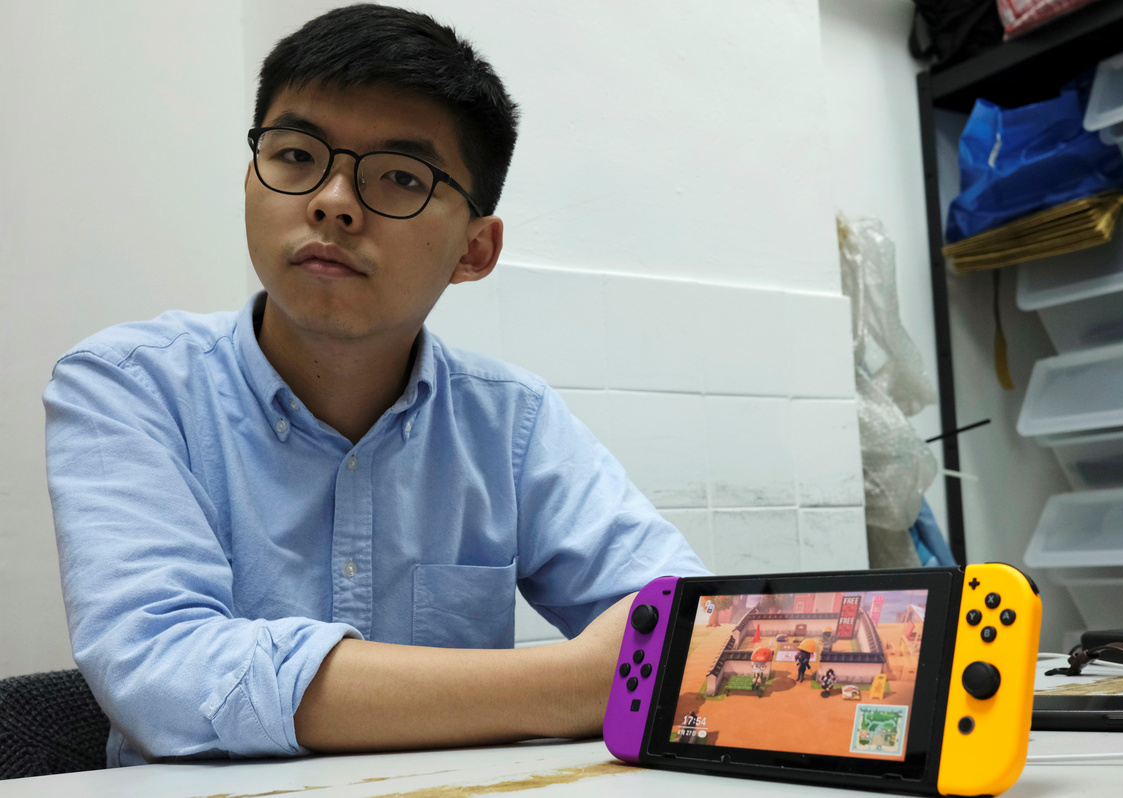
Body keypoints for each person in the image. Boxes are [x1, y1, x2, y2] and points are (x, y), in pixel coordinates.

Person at [44, 4, 706, 767]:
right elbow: (165, 674)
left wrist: (611, 673)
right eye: (296, 156)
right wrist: (571, 684)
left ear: (474, 250)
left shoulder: (510, 422)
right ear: (251, 179)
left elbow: (692, 629)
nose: (332, 200)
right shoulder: (129, 387)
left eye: (399, 177)